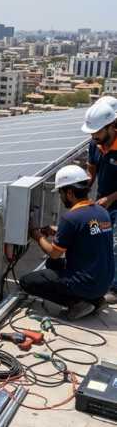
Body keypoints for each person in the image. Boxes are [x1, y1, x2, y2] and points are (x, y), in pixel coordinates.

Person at [21, 165, 114, 320]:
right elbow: (86, 231)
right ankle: (97, 300)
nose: (60, 196)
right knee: (52, 265)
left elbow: (54, 253)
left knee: (27, 282)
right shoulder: (101, 211)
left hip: (86, 283)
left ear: (69, 193)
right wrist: (56, 230)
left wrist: (37, 236)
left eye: (60, 192)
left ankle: (78, 303)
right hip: (104, 282)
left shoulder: (71, 218)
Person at [83, 99, 117, 304]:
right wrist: (82, 188)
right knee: (98, 242)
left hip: (114, 202)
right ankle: (98, 277)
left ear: (111, 125)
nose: (93, 136)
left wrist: (110, 198)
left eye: (97, 131)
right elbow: (91, 171)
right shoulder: (94, 144)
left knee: (114, 245)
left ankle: (114, 286)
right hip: (102, 203)